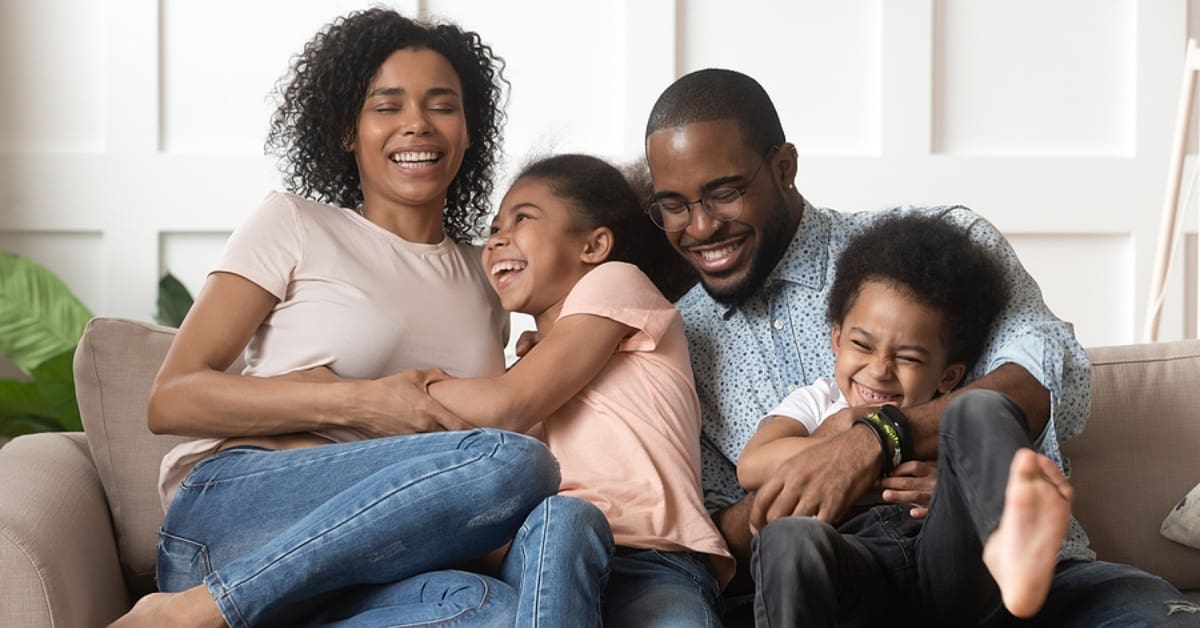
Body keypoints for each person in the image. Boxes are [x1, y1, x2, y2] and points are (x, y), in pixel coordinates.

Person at [642, 67, 1192, 626]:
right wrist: (819, 484)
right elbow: (704, 542)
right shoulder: (676, 342)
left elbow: (1041, 374)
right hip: (840, 591)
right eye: (674, 206)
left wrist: (893, 449)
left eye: (725, 193)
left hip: (1009, 583)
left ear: (784, 167)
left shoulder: (938, 243)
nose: (701, 227)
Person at [111, 9, 563, 627]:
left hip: (360, 565)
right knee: (512, 463)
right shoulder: (293, 224)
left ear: (468, 132)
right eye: (387, 106)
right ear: (347, 131)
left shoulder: (488, 278)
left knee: (490, 608)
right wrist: (359, 404)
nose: (416, 125)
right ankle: (197, 609)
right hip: (235, 522)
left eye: (442, 106)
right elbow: (171, 399)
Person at [426, 153, 733, 626]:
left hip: (656, 559)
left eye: (522, 217)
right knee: (564, 517)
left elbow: (505, 405)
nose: (497, 239)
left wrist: (398, 391)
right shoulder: (530, 365)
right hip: (551, 553)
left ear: (594, 245)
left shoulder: (616, 282)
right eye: (492, 229)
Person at [739, 214, 1074, 625]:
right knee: (788, 538)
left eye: (909, 358)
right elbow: (752, 464)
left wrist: (958, 491)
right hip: (855, 567)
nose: (879, 369)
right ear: (837, 339)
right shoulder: (817, 401)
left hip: (946, 562)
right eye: (862, 345)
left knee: (980, 407)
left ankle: (1011, 543)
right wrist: (841, 445)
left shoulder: (948, 413)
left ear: (948, 376)